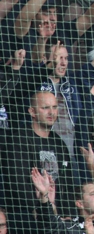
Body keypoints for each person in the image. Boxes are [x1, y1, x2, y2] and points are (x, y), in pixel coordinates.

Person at [0, 91, 75, 231]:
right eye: (45, 108)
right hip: (28, 219)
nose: (51, 112)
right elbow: (18, 183)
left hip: (57, 218)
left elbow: (68, 182)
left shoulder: (59, 143)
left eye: (54, 107)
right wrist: (39, 210)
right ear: (32, 111)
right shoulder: (18, 140)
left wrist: (66, 213)